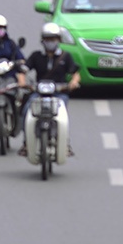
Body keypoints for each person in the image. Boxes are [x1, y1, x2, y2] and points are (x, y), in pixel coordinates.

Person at [21, 21, 80, 156]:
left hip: (59, 94)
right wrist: (22, 82)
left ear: (58, 40)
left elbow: (75, 73)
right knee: (26, 111)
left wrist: (73, 83)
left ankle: (65, 143)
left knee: (62, 116)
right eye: (47, 39)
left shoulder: (66, 56)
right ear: (42, 40)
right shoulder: (36, 56)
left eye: (53, 39)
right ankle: (26, 143)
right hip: (39, 94)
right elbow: (23, 70)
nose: (50, 42)